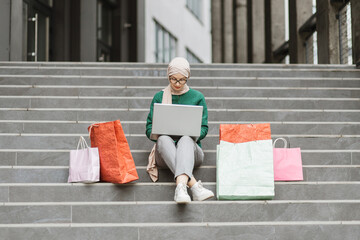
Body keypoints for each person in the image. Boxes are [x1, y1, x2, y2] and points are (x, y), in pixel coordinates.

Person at [145, 57, 214, 204]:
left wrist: (193, 132)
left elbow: (204, 128)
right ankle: (193, 186)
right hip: (165, 152)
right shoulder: (159, 97)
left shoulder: (197, 97)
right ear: (168, 77)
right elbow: (149, 128)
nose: (177, 84)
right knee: (163, 138)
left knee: (186, 139)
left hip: (192, 151)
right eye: (173, 79)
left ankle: (182, 188)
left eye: (182, 80)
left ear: (187, 78)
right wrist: (158, 131)